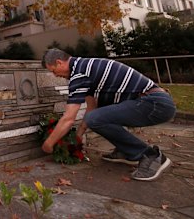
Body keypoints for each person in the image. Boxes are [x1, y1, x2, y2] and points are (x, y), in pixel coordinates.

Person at [40, 48, 176, 181]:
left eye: (53, 71)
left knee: (95, 119)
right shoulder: (84, 67)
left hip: (155, 104)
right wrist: (78, 135)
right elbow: (92, 107)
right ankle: (126, 151)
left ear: (59, 62)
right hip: (150, 102)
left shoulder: (79, 74)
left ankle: (150, 156)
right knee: (97, 115)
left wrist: (49, 143)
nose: (55, 75)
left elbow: (69, 118)